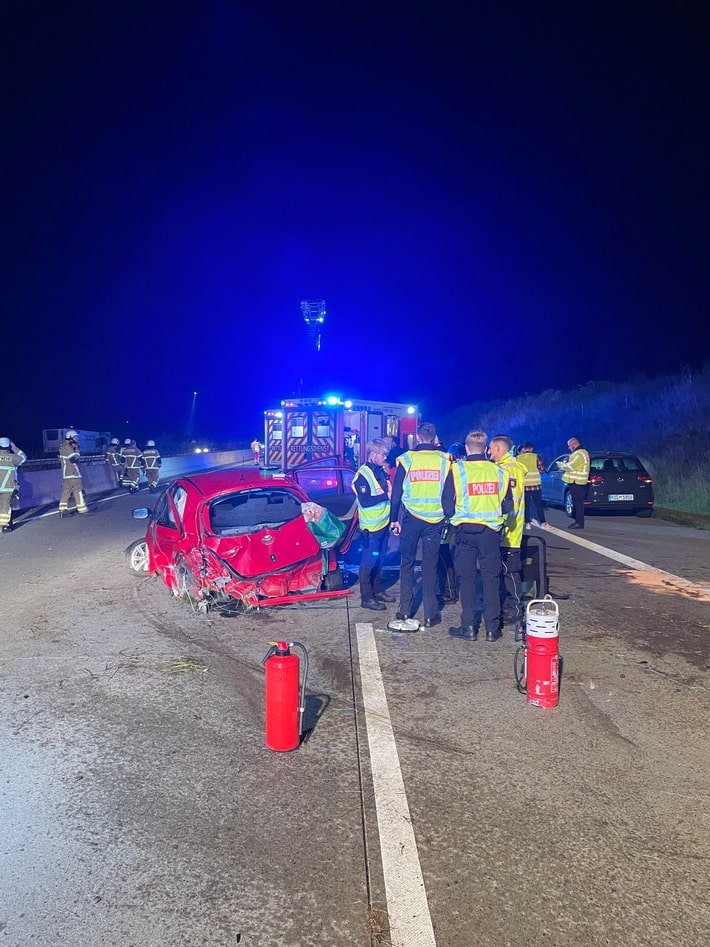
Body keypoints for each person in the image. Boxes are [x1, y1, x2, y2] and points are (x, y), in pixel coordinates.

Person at [442, 430, 513, 642]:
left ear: (466, 448)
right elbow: (508, 505)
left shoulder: (457, 470)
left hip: (464, 531)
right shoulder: (499, 472)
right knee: (491, 579)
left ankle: (469, 627)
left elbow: (446, 503)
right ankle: (492, 629)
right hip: (490, 532)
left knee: (468, 579)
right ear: (486, 450)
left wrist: (456, 518)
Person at [390, 421, 450, 628]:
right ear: (435, 438)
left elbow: (396, 492)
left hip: (411, 519)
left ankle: (404, 611)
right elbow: (450, 492)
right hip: (435, 520)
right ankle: (430, 614)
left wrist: (393, 519)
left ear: (416, 437)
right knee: (430, 566)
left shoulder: (407, 459)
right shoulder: (445, 460)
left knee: (406, 563)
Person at [489, 434, 526, 641]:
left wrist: (497, 521)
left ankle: (515, 608)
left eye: (491, 450)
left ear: (498, 449)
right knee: (507, 571)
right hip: (510, 529)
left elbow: (508, 503)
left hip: (508, 532)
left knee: (510, 572)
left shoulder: (506, 470)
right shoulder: (514, 466)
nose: (489, 453)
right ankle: (511, 605)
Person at [352, 437, 396, 611]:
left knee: (379, 560)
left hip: (383, 524)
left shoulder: (380, 471)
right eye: (383, 454)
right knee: (368, 562)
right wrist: (386, 495)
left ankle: (377, 590)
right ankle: (367, 597)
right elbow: (365, 501)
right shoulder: (363, 475)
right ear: (373, 454)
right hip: (371, 528)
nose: (385, 457)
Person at [557, 436, 591, 529]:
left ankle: (579, 522)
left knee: (578, 503)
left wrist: (560, 465)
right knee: (577, 503)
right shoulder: (581, 453)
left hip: (577, 482)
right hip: (576, 482)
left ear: (574, 444)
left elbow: (570, 467)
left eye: (569, 446)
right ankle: (578, 521)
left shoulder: (579, 454)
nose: (569, 448)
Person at [517, 441, 547, 528]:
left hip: (524, 486)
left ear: (524, 448)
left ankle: (527, 522)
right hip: (535, 486)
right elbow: (541, 469)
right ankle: (543, 522)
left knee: (526, 505)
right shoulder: (536, 457)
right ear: (532, 448)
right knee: (538, 505)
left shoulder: (518, 458)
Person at [59, 430, 89, 516]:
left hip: (66, 474)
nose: (77, 438)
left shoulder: (63, 446)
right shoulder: (68, 446)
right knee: (78, 490)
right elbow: (73, 459)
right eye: (75, 437)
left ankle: (62, 511)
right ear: (70, 438)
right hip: (72, 473)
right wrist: (77, 451)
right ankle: (82, 509)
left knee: (66, 491)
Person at [0, 437, 27, 532]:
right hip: (7, 486)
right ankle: (5, 526)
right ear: (8, 446)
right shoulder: (12, 457)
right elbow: (23, 458)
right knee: (5, 506)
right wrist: (15, 448)